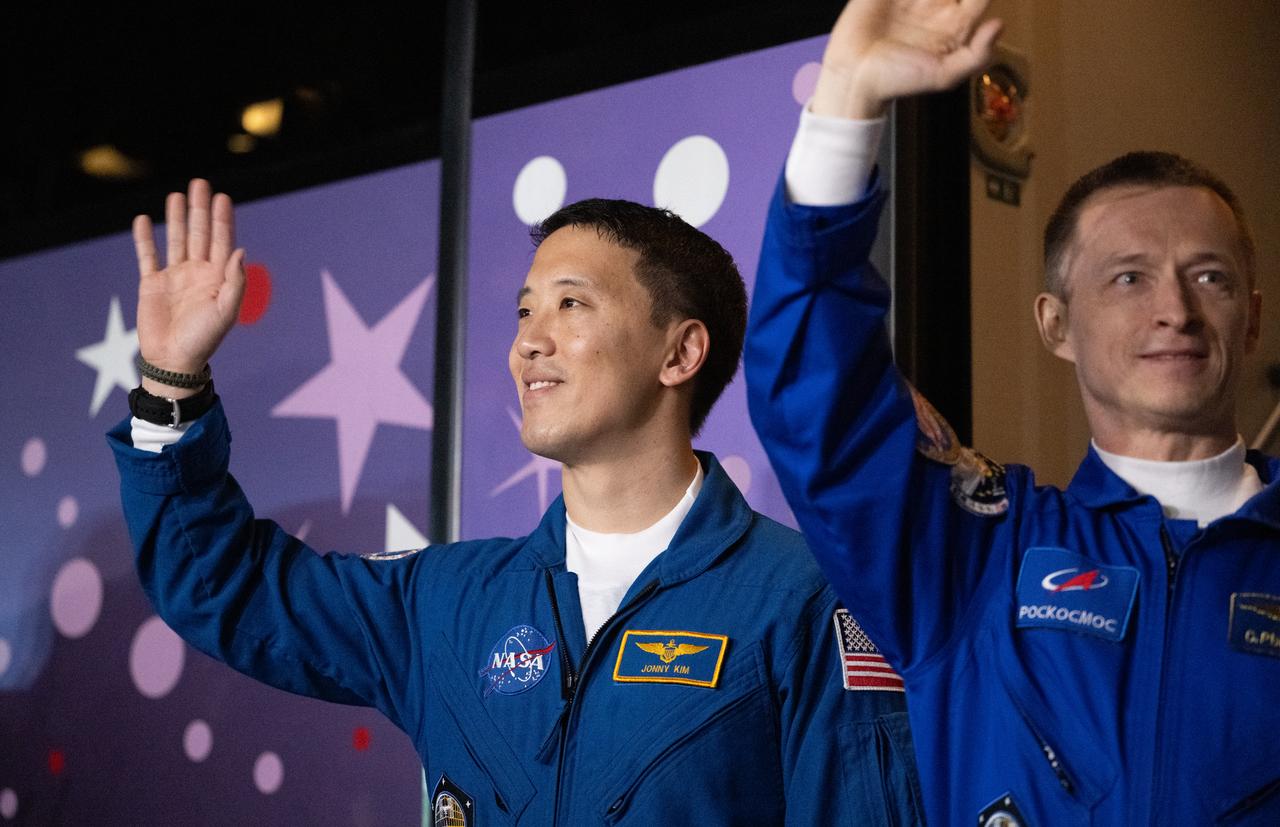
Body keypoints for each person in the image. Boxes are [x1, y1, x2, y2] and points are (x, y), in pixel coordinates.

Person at [110, 180, 925, 824]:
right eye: (525, 310)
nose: (529, 339)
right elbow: (222, 585)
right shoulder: (448, 604)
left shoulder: (804, 602)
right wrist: (169, 380)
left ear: (681, 352)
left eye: (571, 304)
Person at [745, 1, 1279, 824]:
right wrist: (846, 102)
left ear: (1254, 317)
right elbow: (816, 398)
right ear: (1055, 324)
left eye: (1207, 276)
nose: (1174, 308)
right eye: (1128, 278)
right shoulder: (978, 552)